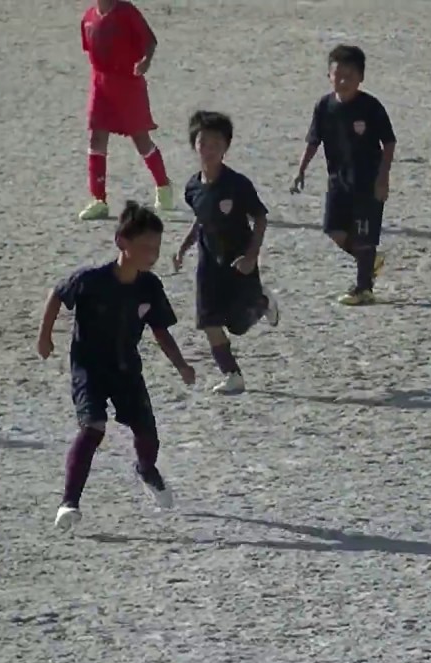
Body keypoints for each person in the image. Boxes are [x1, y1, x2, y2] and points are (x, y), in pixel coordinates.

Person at [37, 202, 195, 530]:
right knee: (92, 427)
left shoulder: (150, 286)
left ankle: (147, 470)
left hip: (126, 369)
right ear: (122, 241)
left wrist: (181, 364)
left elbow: (160, 330)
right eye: (145, 246)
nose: (152, 254)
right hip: (89, 369)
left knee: (147, 433)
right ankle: (69, 503)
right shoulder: (91, 280)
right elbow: (57, 294)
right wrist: (45, 337)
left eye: (157, 247)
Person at [175, 111, 279, 396]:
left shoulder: (237, 184)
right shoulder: (192, 187)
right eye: (202, 143)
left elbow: (260, 218)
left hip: (239, 263)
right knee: (209, 321)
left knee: (238, 325)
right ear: (194, 146)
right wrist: (185, 246)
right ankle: (233, 375)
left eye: (215, 144)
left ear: (226, 147)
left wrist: (251, 256)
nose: (208, 150)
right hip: (209, 265)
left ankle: (261, 301)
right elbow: (201, 219)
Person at [292, 45, 396, 306]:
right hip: (338, 181)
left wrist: (383, 177)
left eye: (349, 76)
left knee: (364, 235)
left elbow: (389, 143)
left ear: (361, 77)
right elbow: (314, 140)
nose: (343, 81)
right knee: (334, 230)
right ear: (329, 75)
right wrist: (300, 170)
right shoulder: (324, 106)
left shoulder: (370, 107)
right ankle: (369, 261)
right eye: (337, 75)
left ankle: (363, 288)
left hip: (368, 182)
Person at [77, 0, 173, 220]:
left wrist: (145, 61)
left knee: (140, 138)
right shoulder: (89, 17)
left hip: (128, 84)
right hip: (100, 83)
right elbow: (90, 49)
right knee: (96, 137)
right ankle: (98, 199)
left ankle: (163, 186)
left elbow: (150, 40)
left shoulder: (126, 12)